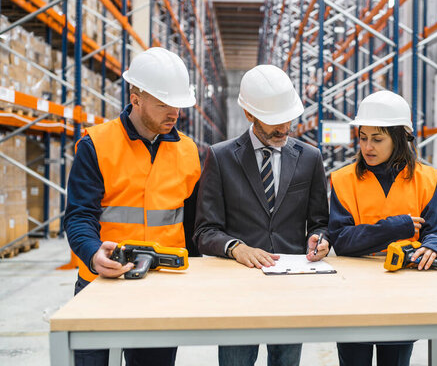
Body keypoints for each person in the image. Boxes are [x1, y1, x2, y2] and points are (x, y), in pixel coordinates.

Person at [64, 47, 202, 366]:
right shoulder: (96, 145)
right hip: (100, 283)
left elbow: (194, 225)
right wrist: (92, 252)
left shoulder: (190, 153)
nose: (173, 114)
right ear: (135, 97)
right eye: (163, 104)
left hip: (161, 289)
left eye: (177, 105)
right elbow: (79, 215)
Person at [194, 64, 329, 366]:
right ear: (249, 114)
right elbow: (205, 231)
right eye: (273, 122)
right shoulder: (221, 157)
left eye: (287, 119)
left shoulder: (310, 158)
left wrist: (320, 239)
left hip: (291, 288)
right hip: (239, 289)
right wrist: (236, 248)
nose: (283, 128)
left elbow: (319, 222)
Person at [328, 90, 437, 366]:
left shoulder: (425, 179)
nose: (367, 147)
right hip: (353, 295)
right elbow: (343, 241)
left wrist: (433, 246)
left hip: (404, 294)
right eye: (363, 137)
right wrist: (396, 227)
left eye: (377, 139)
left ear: (399, 138)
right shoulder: (344, 180)